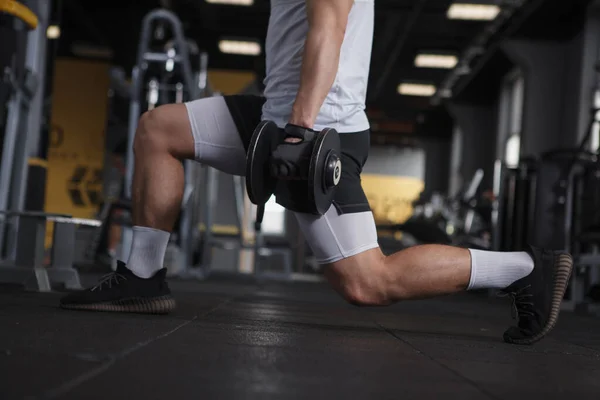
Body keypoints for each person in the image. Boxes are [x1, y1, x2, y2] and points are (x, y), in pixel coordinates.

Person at [60, 0, 573, 346]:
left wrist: (300, 131)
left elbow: (329, 27)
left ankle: (525, 269)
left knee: (368, 282)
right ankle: (142, 278)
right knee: (158, 130)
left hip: (319, 127)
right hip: (273, 114)